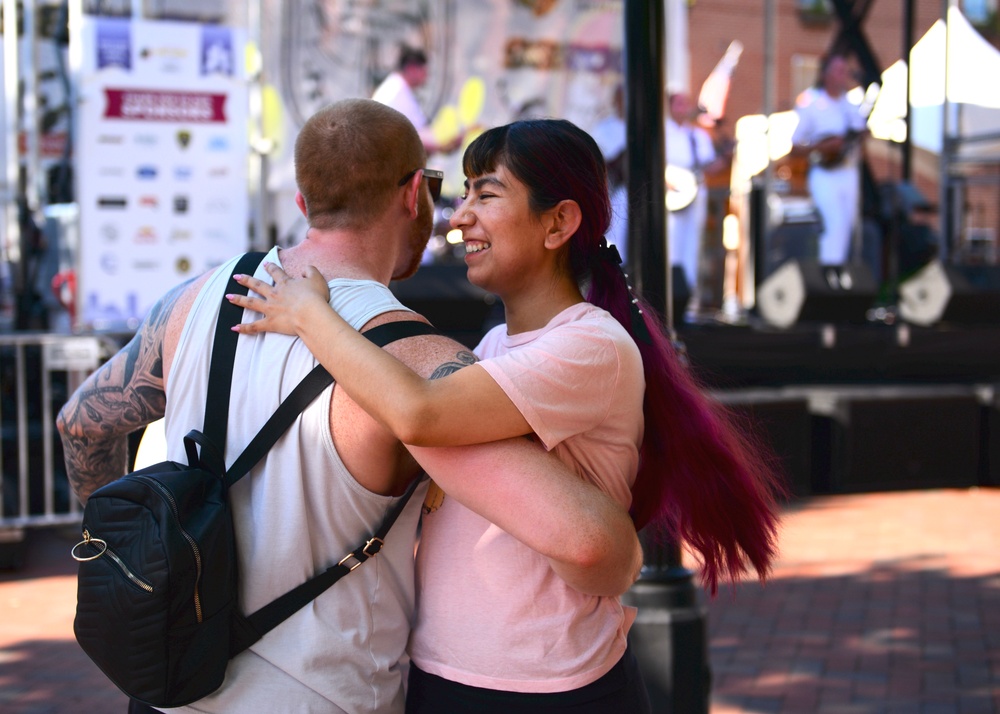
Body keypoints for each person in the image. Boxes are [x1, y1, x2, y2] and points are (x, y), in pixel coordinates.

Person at [55, 99, 643, 714]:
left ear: (304, 204)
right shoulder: (417, 357)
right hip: (317, 694)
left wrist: (130, 558)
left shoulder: (198, 298)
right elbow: (588, 541)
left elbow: (81, 423)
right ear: (414, 194)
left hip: (168, 686)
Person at [229, 118, 785, 712]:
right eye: (463, 193)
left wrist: (312, 317)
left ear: (559, 223)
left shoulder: (590, 345)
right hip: (447, 676)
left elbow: (419, 414)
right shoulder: (494, 346)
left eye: (487, 194)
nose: (460, 216)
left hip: (549, 688)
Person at [791, 52, 869, 265]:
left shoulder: (850, 105)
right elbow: (795, 145)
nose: (843, 75)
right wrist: (824, 147)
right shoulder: (812, 104)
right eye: (839, 71)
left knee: (849, 226)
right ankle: (829, 276)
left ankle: (841, 275)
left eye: (845, 71)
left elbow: (859, 134)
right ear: (825, 74)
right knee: (834, 225)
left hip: (848, 171)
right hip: (825, 173)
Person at [665, 91, 727, 316]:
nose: (683, 108)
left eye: (685, 103)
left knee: (693, 246)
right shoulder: (662, 131)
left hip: (695, 194)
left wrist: (724, 158)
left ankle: (688, 302)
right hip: (670, 196)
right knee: (671, 245)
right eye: (678, 103)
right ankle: (669, 299)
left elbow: (709, 165)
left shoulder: (697, 135)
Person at [372, 46, 462, 157]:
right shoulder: (398, 92)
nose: (427, 76)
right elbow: (419, 137)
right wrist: (446, 142)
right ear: (412, 69)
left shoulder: (394, 86)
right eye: (425, 70)